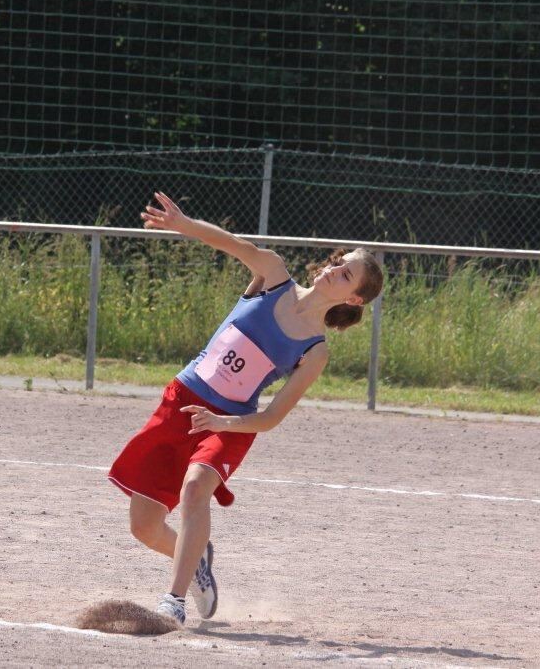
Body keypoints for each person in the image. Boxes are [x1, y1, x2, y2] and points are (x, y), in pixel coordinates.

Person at [108, 192, 384, 625]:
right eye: (338, 262)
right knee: (143, 526)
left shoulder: (315, 351)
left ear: (354, 300)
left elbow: (271, 417)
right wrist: (183, 224)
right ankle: (196, 560)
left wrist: (222, 422)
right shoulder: (273, 275)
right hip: (182, 400)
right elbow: (231, 243)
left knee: (195, 489)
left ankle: (174, 601)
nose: (334, 270)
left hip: (230, 422)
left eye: (346, 274)